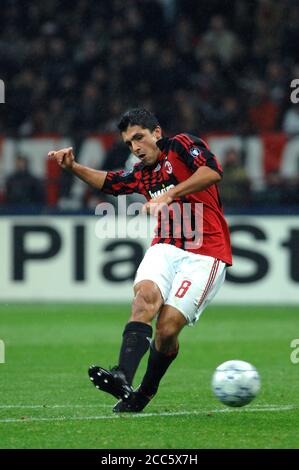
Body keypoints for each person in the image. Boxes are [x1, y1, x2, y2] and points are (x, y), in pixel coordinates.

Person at [48, 108, 232, 413]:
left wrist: (169, 195)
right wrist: (72, 167)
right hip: (165, 246)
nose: (135, 147)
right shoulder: (141, 172)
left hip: (206, 251)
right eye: (129, 143)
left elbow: (212, 172)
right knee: (144, 297)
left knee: (168, 327)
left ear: (156, 133)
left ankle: (145, 392)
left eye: (139, 138)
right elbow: (108, 182)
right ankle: (122, 375)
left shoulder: (182, 145)